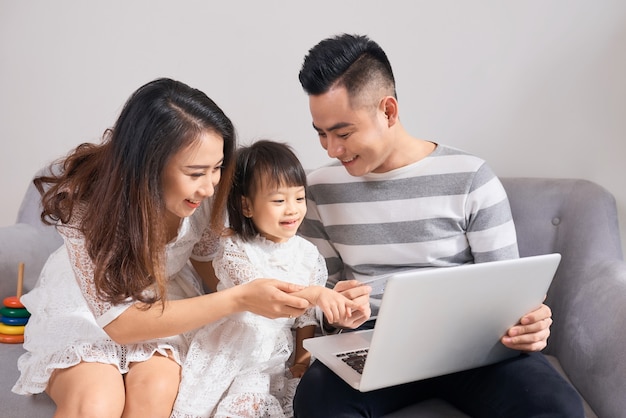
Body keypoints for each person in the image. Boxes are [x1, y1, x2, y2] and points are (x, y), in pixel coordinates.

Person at [293, 34, 585, 417]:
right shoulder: (318, 189)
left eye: (343, 133)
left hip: (472, 347)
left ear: (389, 111)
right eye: (322, 133)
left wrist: (529, 322)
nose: (331, 149)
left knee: (557, 406)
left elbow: (509, 293)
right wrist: (336, 310)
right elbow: (322, 290)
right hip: (373, 345)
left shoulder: (470, 177)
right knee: (315, 401)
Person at [11, 78, 314, 418]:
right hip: (88, 305)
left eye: (216, 169)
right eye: (196, 172)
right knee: (97, 401)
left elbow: (212, 267)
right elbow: (120, 322)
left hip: (164, 300)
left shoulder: (205, 199)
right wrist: (238, 299)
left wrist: (299, 302)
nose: (209, 186)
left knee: (156, 392)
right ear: (148, 164)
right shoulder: (90, 206)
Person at [171, 140, 359, 418]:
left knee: (255, 406)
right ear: (247, 206)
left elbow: (305, 318)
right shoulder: (234, 247)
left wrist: (301, 361)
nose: (292, 209)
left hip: (272, 355)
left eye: (298, 198)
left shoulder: (308, 254)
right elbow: (266, 295)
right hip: (233, 348)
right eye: (279, 201)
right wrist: (317, 293)